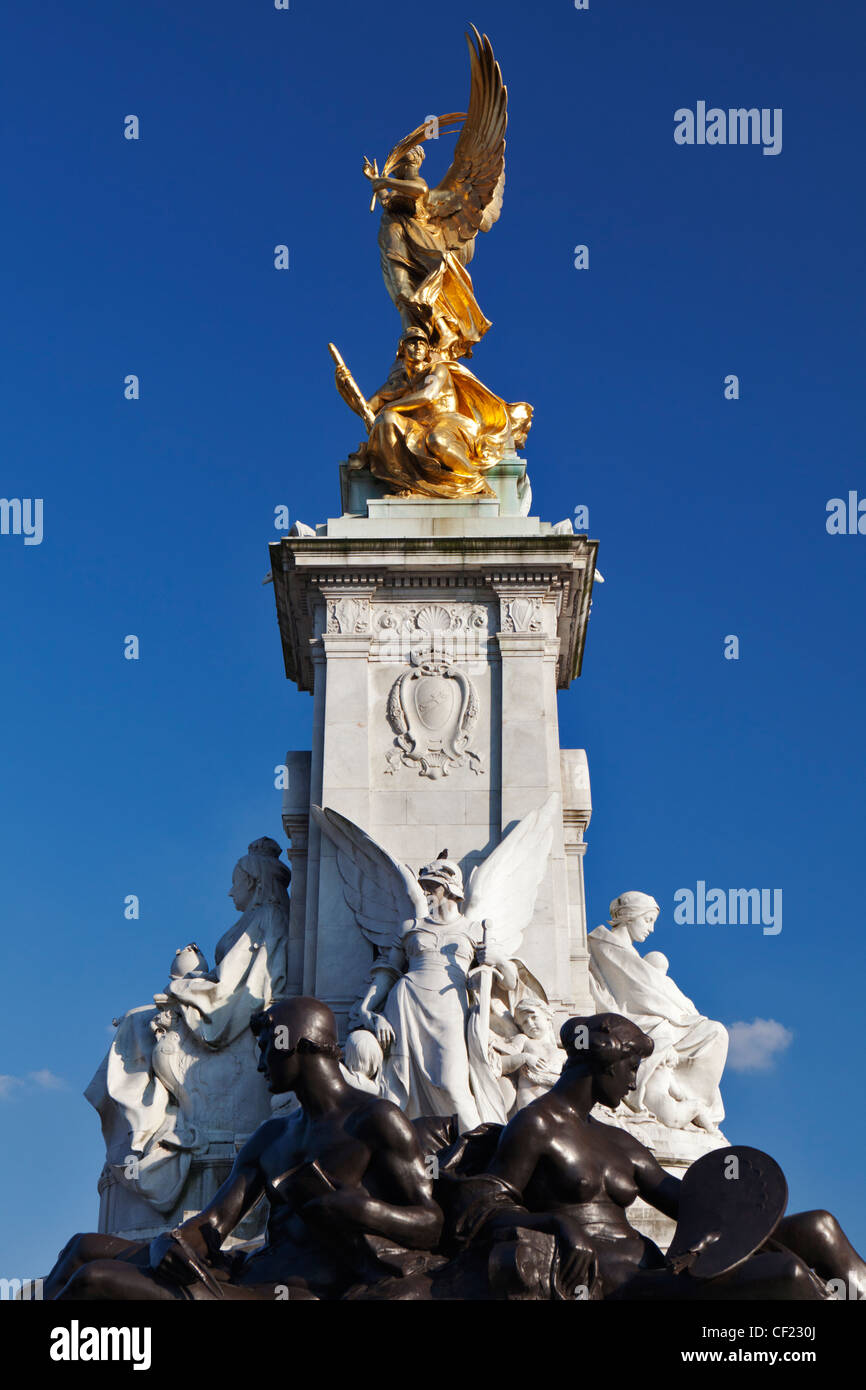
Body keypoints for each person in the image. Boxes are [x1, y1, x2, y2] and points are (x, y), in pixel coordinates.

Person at [46, 997, 443, 1301]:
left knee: (94, 1280)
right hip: (248, 1273)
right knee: (82, 1248)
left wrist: (357, 1209)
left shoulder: (374, 1119)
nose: (259, 1064)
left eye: (268, 1046)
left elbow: (430, 1222)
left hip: (293, 1291)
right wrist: (172, 1244)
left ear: (299, 1045)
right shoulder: (273, 1135)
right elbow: (214, 1224)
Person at [457, 1012, 866, 1300]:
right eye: (631, 1067)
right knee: (787, 1274)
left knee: (820, 1227)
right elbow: (483, 1209)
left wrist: (744, 1197)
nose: (634, 1082)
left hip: (664, 1266)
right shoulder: (536, 1124)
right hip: (619, 1283)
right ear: (604, 1063)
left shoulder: (620, 1142)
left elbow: (686, 1202)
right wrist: (559, 1224)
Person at [337, 327, 531, 500]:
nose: (418, 347)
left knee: (436, 440)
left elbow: (427, 396)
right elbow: (366, 409)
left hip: (448, 423)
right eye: (412, 343)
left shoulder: (437, 370)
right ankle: (403, 483)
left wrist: (389, 406)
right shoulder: (399, 382)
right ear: (402, 350)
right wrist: (344, 388)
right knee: (385, 420)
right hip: (419, 427)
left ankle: (475, 480)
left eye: (422, 343)